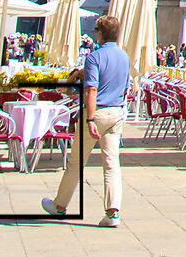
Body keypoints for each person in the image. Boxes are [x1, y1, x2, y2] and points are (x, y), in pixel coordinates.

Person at [41, 13, 128, 229]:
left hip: (96, 112)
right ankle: (113, 212)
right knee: (111, 164)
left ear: (100, 33)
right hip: (116, 112)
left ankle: (59, 205)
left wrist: (89, 118)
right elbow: (125, 87)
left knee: (76, 162)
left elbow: (90, 89)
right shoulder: (124, 57)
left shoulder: (94, 57)